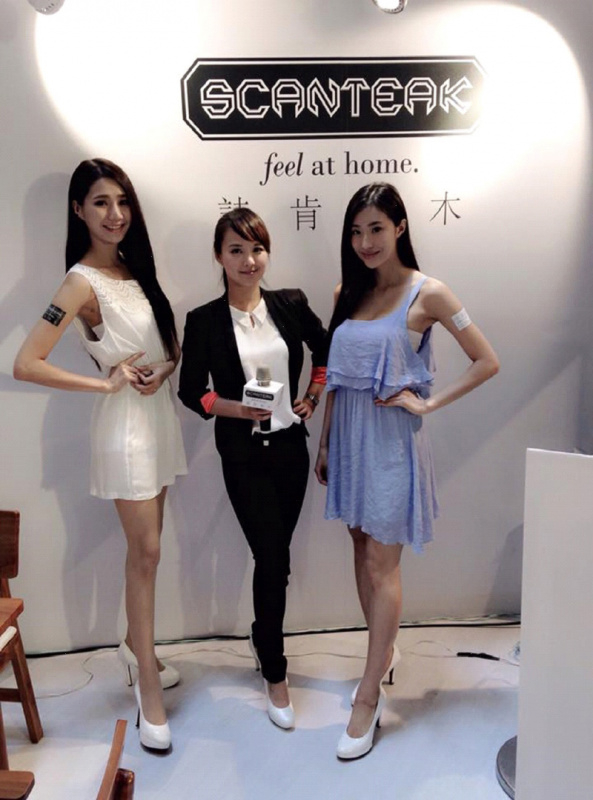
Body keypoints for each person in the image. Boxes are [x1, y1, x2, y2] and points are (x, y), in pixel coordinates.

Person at [315, 182, 499, 759]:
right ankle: (383, 651)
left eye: (376, 228)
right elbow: (335, 378)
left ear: (399, 228)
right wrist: (324, 443)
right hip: (348, 440)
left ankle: (368, 696)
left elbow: (486, 360)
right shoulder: (347, 292)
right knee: (359, 546)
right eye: (356, 231)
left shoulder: (430, 293)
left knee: (382, 562)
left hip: (392, 444)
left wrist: (428, 403)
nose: (365, 242)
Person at [13, 158, 187, 752]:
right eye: (101, 203)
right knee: (147, 552)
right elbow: (26, 362)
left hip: (158, 418)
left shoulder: (135, 268)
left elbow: (166, 346)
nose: (115, 214)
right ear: (78, 210)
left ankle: (139, 650)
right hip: (125, 429)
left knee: (150, 553)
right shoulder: (79, 282)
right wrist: (104, 383)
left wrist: (164, 369)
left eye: (122, 201)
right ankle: (147, 687)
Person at [178, 207, 327, 729]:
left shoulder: (289, 304)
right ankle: (275, 670)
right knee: (271, 555)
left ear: (268, 252)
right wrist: (236, 409)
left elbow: (325, 348)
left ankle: (262, 638)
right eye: (236, 250)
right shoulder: (204, 320)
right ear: (219, 256)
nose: (248, 260)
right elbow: (191, 391)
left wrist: (312, 395)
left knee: (276, 560)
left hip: (290, 450)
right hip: (243, 456)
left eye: (257, 248)